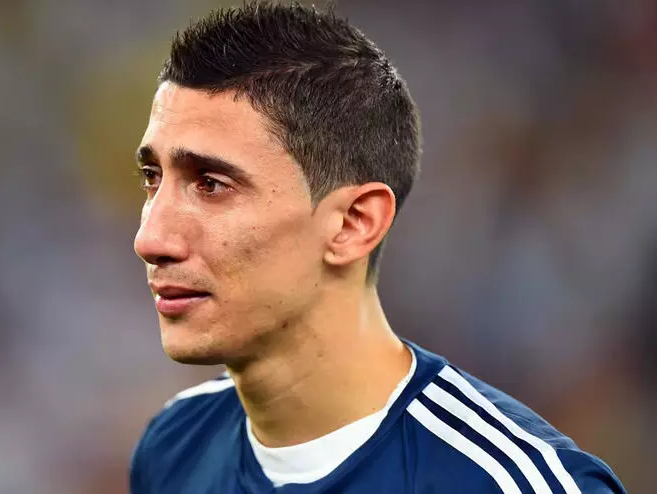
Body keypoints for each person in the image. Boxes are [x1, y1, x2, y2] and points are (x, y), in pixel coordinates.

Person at [129, 2, 626, 493]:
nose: (150, 240)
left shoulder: (511, 483)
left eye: (211, 184)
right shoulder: (173, 447)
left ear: (353, 224)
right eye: (152, 177)